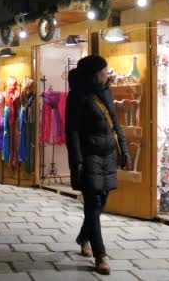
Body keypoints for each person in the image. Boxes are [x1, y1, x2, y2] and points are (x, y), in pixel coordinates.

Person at [65, 55, 130, 275]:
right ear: (95, 73)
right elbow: (72, 132)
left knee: (101, 203)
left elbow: (115, 123)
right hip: (90, 155)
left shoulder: (105, 92)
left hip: (108, 155)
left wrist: (124, 149)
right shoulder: (77, 97)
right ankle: (100, 255)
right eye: (105, 70)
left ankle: (83, 237)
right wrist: (77, 162)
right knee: (93, 204)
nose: (107, 72)